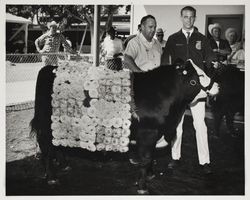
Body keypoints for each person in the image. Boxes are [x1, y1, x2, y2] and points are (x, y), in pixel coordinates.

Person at [161, 6, 217, 174]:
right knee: (177, 125)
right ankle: (175, 158)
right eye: (185, 17)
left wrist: (213, 64)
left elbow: (209, 59)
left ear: (195, 18)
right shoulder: (173, 38)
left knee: (200, 125)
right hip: (179, 88)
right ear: (181, 17)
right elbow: (165, 62)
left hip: (197, 88)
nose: (188, 20)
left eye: (191, 17)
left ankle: (205, 162)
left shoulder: (202, 39)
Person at [124, 15, 168, 158]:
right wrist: (141, 74)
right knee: (139, 121)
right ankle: (135, 153)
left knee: (152, 122)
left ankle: (148, 152)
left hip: (155, 89)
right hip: (139, 87)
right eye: (150, 27)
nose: (153, 29)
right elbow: (127, 59)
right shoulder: (134, 43)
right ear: (142, 27)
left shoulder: (157, 44)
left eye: (154, 26)